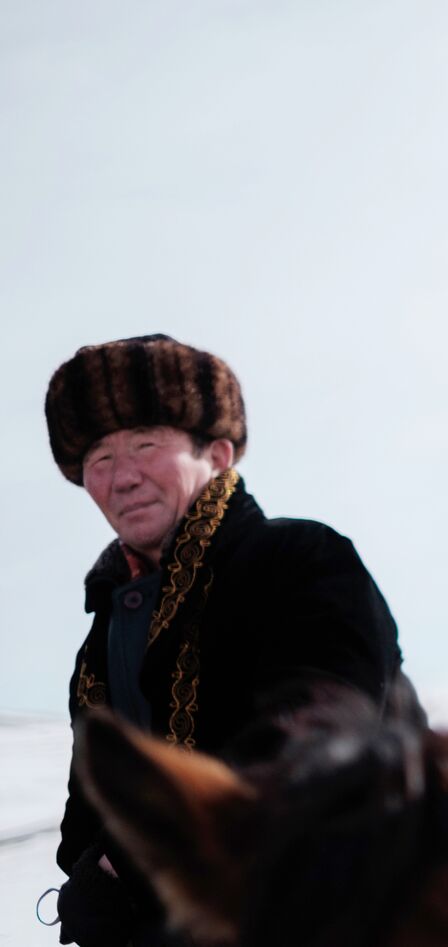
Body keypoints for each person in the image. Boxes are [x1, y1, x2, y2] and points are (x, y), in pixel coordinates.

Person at [44, 334, 404, 946]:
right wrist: (86, 885)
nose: (120, 476)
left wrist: (135, 861)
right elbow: (90, 806)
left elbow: (327, 750)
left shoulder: (301, 561)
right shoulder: (100, 638)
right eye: (99, 459)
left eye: (145, 445)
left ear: (218, 454)